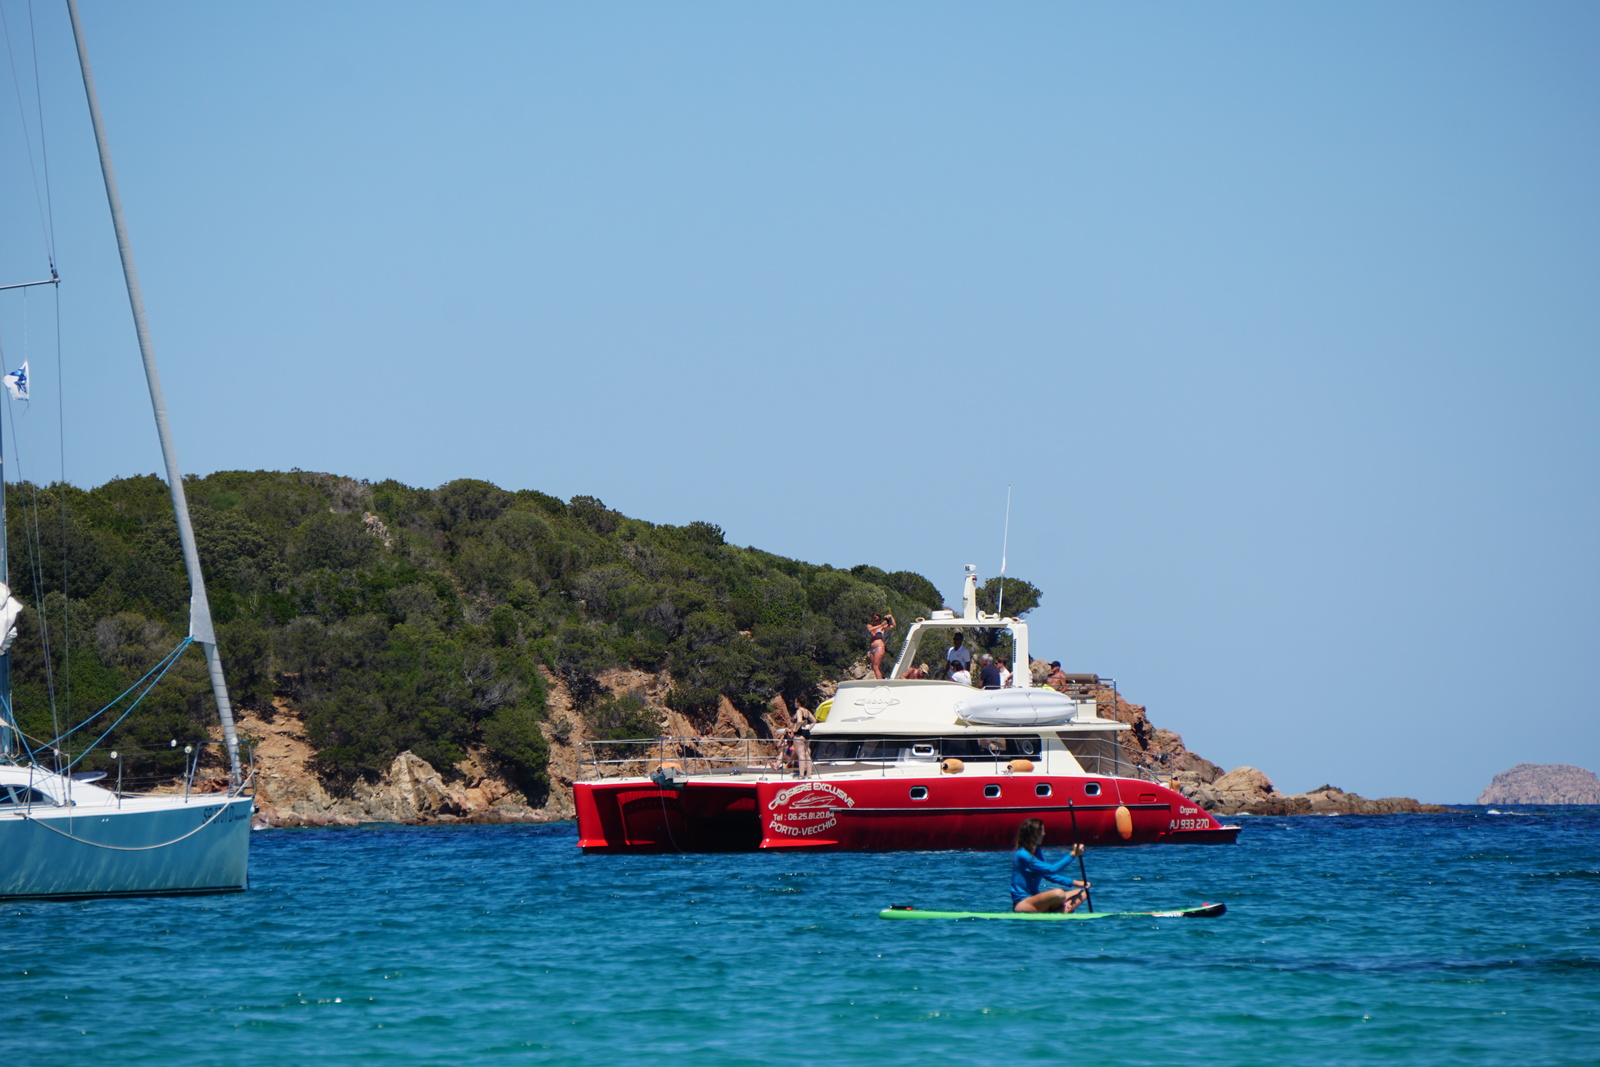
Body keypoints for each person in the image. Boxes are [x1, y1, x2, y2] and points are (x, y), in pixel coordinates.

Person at [1010, 818, 1090, 913]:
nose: (1044, 834)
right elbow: (1051, 869)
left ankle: (1061, 910)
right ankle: (1060, 909)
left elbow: (1048, 875)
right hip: (1023, 903)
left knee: (1083, 893)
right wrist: (1072, 854)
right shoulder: (1022, 855)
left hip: (1036, 900)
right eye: (1042, 831)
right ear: (1035, 834)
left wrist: (1074, 882)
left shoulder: (1037, 851)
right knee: (1059, 893)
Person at [867, 612, 896, 679]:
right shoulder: (870, 626)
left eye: (879, 620)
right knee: (873, 667)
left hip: (879, 647)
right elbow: (870, 630)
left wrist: (891, 617)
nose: (878, 621)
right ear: (873, 619)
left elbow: (893, 625)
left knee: (876, 666)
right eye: (876, 619)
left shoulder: (882, 627)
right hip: (872, 649)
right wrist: (881, 625)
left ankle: (880, 682)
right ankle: (880, 679)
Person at [793, 704, 817, 777]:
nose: (795, 703)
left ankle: (801, 775)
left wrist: (795, 729)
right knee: (807, 754)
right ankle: (809, 774)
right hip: (806, 733)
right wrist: (808, 729)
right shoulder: (807, 711)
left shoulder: (799, 711)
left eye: (796, 702)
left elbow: (799, 721)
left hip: (800, 733)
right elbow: (814, 721)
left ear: (798, 703)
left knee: (801, 755)